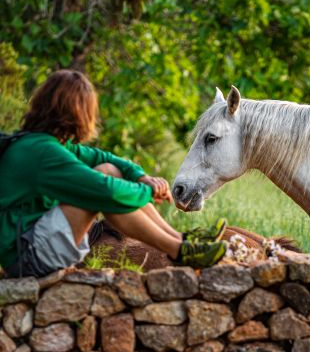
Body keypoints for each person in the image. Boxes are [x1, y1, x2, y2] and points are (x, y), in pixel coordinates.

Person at [0, 70, 227, 278]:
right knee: (99, 192)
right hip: (27, 260)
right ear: (78, 113)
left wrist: (140, 176)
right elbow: (105, 191)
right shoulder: (42, 152)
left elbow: (105, 159)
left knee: (108, 170)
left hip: (33, 244)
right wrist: (145, 191)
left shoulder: (44, 143)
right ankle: (178, 250)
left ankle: (182, 241)